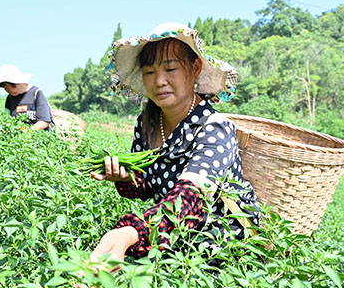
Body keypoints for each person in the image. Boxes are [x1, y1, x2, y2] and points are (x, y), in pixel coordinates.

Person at [89, 22, 260, 265]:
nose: (159, 81)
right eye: (149, 72)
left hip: (217, 240)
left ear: (195, 68)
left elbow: (191, 198)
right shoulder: (147, 123)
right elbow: (150, 186)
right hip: (170, 230)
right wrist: (127, 179)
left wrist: (132, 232)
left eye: (170, 69)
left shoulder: (214, 127)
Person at [0, 64, 54, 131]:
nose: (8, 92)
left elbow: (44, 122)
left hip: (39, 136)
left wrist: (27, 133)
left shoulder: (36, 93)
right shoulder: (9, 98)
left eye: (6, 87)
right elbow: (7, 120)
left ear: (15, 83)